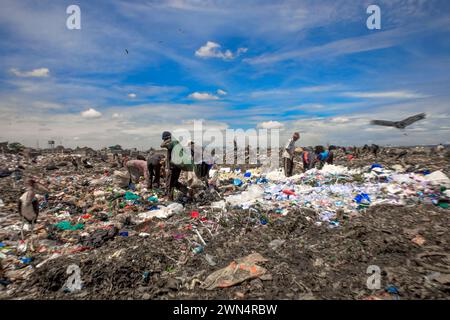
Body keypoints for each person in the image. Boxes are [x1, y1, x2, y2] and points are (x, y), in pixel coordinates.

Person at [160, 131, 189, 200]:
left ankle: (169, 198)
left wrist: (167, 140)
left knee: (169, 183)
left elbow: (161, 145)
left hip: (173, 167)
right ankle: (187, 191)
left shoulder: (172, 143)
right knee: (174, 182)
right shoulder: (177, 144)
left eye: (164, 139)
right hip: (178, 166)